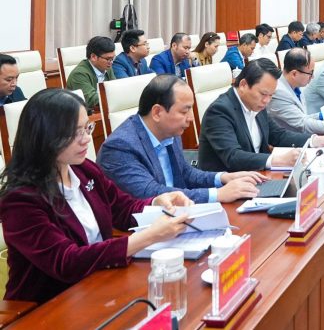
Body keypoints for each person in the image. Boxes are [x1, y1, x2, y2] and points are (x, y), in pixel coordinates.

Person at [0, 89, 192, 303]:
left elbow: (122, 208)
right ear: (46, 136)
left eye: (87, 128)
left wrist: (157, 203)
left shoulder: (84, 169)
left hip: (100, 283)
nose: (87, 139)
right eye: (75, 133)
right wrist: (148, 236)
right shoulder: (21, 200)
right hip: (49, 304)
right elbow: (66, 262)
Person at [98, 75, 263, 204]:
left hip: (179, 216)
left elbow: (185, 173)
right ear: (157, 113)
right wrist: (217, 194)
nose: (191, 118)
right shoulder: (119, 147)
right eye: (184, 111)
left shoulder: (170, 131)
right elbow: (150, 192)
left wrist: (222, 178)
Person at [197, 59, 324, 172]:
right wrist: (277, 160)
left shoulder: (257, 104)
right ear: (244, 84)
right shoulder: (220, 111)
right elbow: (233, 157)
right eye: (263, 94)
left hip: (258, 176)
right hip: (228, 186)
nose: (267, 100)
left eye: (271, 95)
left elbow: (278, 135)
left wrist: (314, 141)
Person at [66, 36, 118, 111]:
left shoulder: (107, 67)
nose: (111, 62)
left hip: (103, 109)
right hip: (81, 113)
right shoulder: (78, 74)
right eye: (108, 59)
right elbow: (91, 100)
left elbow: (115, 88)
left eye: (113, 58)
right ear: (93, 57)